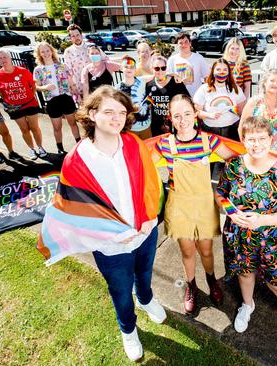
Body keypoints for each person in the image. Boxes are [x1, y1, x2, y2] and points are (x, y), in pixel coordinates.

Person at [62, 86, 166, 361]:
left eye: (122, 112)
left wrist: (149, 217)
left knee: (144, 275)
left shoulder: (133, 143)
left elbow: (151, 182)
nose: (117, 117)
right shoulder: (76, 159)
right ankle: (128, 330)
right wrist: (105, 235)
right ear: (92, 114)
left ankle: (145, 300)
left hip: (144, 232)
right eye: (109, 111)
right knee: (120, 291)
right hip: (109, 245)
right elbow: (73, 210)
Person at [215, 116, 277, 355]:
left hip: (272, 240)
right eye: (251, 139)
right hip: (240, 236)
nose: (257, 144)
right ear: (243, 140)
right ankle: (247, 305)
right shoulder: (234, 166)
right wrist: (231, 212)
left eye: (262, 138)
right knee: (245, 273)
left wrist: (264, 220)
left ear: (271, 139)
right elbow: (220, 193)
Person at [151, 94, 235, 314]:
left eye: (187, 113)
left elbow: (234, 160)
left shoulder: (209, 141)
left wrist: (225, 189)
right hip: (179, 207)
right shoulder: (164, 143)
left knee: (206, 250)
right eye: (177, 115)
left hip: (204, 205)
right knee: (188, 251)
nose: (183, 119)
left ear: (196, 113)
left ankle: (211, 281)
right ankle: (192, 286)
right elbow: (140, 165)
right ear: (170, 118)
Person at [0, 48, 46, 160]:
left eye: (5, 57)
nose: (3, 60)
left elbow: (33, 87)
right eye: (0, 58)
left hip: (29, 104)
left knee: (34, 127)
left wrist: (27, 97)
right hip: (14, 108)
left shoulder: (23, 71)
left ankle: (40, 147)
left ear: (10, 57)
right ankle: (32, 149)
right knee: (24, 129)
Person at [33, 42, 81, 155]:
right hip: (52, 101)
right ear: (39, 54)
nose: (46, 53)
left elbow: (71, 82)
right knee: (57, 127)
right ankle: (60, 148)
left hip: (66, 98)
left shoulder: (61, 66)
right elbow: (36, 87)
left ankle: (79, 144)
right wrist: (45, 87)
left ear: (51, 51)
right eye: (42, 51)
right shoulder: (39, 70)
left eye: (47, 50)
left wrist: (76, 94)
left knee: (73, 123)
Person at [194, 58, 246, 141]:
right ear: (213, 71)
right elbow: (197, 112)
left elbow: (242, 111)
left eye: (225, 69)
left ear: (229, 72)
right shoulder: (204, 89)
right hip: (211, 131)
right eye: (218, 69)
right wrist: (209, 115)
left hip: (232, 129)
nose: (222, 72)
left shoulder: (235, 89)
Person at [239, 68, 277, 151]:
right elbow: (241, 127)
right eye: (272, 80)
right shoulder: (254, 101)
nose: (275, 84)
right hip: (257, 151)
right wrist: (246, 147)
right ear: (265, 82)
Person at [145, 56, 189, 136]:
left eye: (163, 68)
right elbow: (149, 103)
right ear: (152, 69)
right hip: (156, 126)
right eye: (157, 68)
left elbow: (187, 100)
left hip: (175, 125)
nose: (160, 71)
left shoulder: (176, 83)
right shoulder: (149, 85)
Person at [116, 56, 154, 139]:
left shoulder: (143, 81)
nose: (129, 69)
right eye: (126, 67)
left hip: (146, 126)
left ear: (135, 69)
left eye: (132, 67)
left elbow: (157, 75)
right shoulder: (117, 88)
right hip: (129, 129)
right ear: (121, 68)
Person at [167, 32, 210, 97]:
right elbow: (166, 77)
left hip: (196, 96)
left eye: (186, 42)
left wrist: (206, 93)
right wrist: (173, 76)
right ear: (177, 45)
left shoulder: (199, 58)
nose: (183, 45)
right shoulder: (172, 60)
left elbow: (207, 76)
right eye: (180, 43)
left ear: (190, 43)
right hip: (179, 97)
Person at [63, 24, 91, 104]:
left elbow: (105, 60)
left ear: (81, 35)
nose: (76, 38)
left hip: (94, 85)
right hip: (80, 88)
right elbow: (68, 73)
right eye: (73, 36)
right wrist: (75, 92)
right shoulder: (68, 52)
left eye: (77, 35)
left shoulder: (91, 47)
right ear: (70, 38)